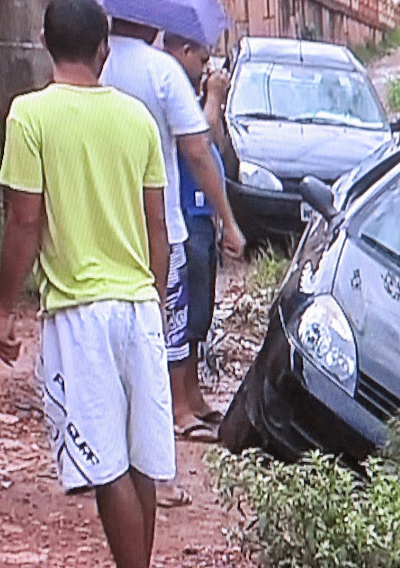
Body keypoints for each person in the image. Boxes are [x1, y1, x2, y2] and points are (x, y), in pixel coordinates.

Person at [0, 1, 173, 566]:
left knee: (107, 468)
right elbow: (157, 227)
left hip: (78, 311)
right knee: (141, 461)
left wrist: (2, 311)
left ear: (44, 41)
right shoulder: (137, 118)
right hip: (138, 304)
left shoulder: (29, 116)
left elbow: (24, 222)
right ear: (105, 49)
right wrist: (157, 300)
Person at [100, 18, 246, 447]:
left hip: (107, 216)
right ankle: (175, 409)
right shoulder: (160, 70)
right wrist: (230, 221)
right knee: (170, 316)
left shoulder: (98, 65)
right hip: (160, 216)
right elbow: (199, 150)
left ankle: (133, 409)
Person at [162, 32, 231, 426]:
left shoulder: (188, 92)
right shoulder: (172, 87)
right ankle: (181, 400)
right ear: (184, 50)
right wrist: (214, 97)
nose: (205, 68)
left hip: (202, 213)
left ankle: (193, 393)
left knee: (200, 310)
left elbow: (215, 143)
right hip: (185, 212)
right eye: (201, 59)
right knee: (184, 312)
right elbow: (197, 142)